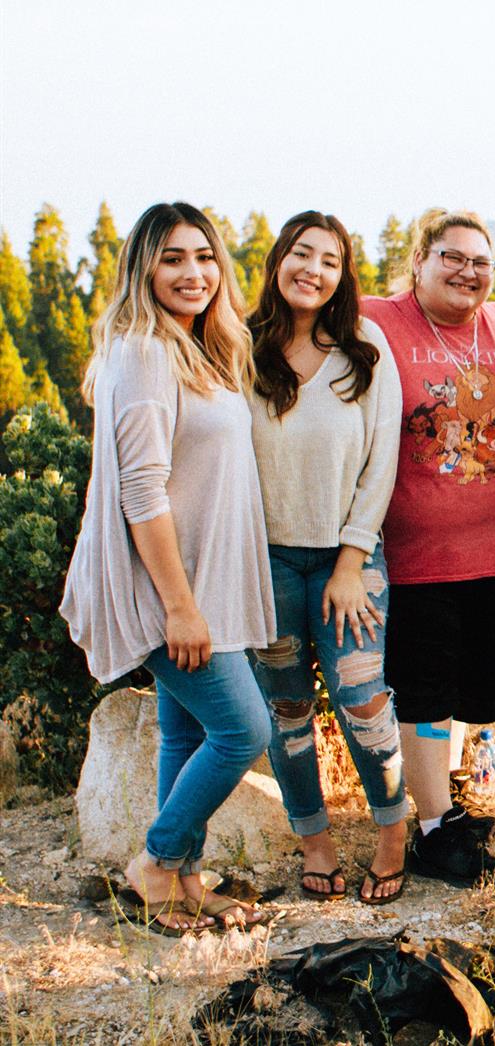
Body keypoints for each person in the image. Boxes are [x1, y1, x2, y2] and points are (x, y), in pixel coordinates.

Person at [61, 202, 273, 934]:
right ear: (143, 268)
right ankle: (155, 860)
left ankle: (181, 881)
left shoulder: (192, 347)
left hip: (202, 582)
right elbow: (140, 490)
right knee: (245, 730)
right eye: (173, 258)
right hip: (172, 590)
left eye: (204, 256)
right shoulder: (147, 351)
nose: (193, 272)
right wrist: (181, 607)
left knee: (185, 733)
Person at [361, 208, 495, 885]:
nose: (467, 271)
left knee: (475, 686)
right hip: (417, 553)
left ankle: (451, 805)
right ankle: (435, 829)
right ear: (418, 261)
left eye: (480, 262)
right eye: (451, 256)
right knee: (427, 689)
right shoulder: (377, 319)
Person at [246, 211, 407, 904]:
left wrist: (349, 563)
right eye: (300, 253)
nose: (312, 269)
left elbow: (381, 465)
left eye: (330, 260)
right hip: (262, 565)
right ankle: (314, 841)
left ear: (343, 276)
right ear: (279, 260)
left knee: (363, 701)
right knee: (286, 709)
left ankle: (392, 834)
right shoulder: (238, 348)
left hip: (350, 557)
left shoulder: (364, 347)